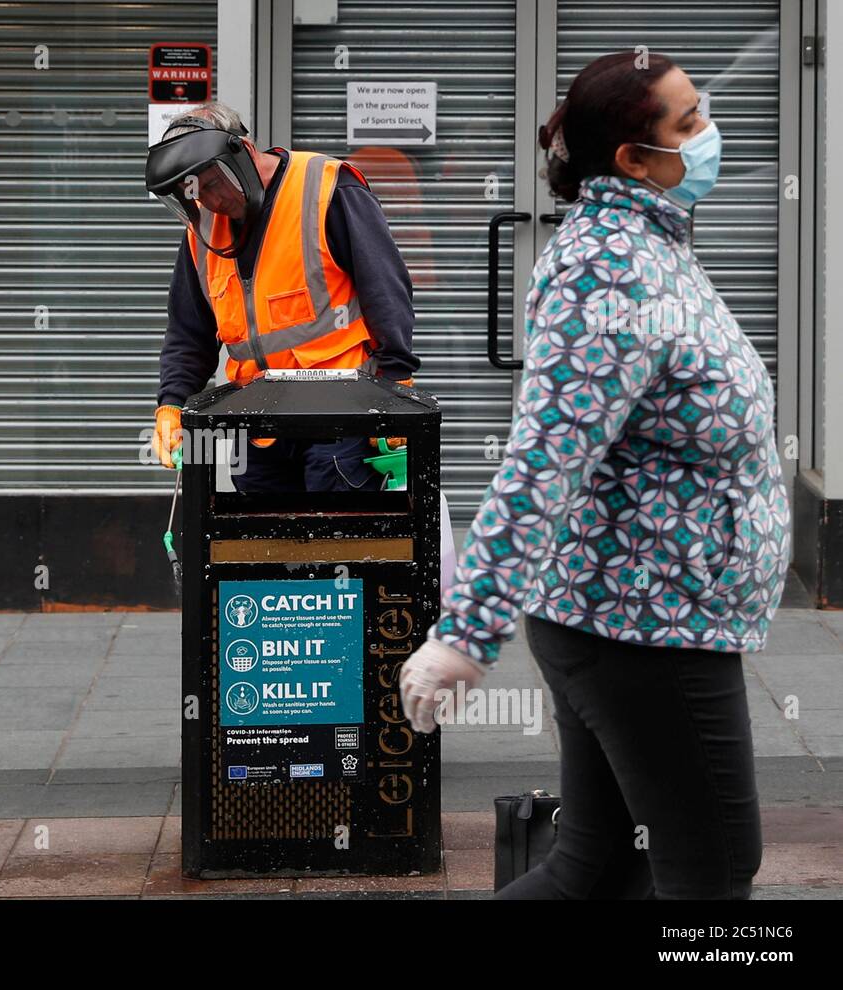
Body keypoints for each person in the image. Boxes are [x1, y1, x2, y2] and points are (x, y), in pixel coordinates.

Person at [398, 52, 791, 899]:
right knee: (716, 872)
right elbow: (543, 458)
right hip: (644, 628)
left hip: (643, 615)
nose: (711, 134)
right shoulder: (607, 269)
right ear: (633, 160)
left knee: (598, 868)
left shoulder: (652, 242)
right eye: (689, 124)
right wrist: (465, 637)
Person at [144, 101, 420, 492]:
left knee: (336, 546)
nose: (211, 200)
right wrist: (172, 402)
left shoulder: (325, 187)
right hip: (260, 425)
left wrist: (395, 387)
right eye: (197, 191)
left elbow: (386, 288)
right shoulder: (203, 231)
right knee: (263, 547)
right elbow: (190, 331)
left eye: (215, 182)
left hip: (342, 414)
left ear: (245, 152)